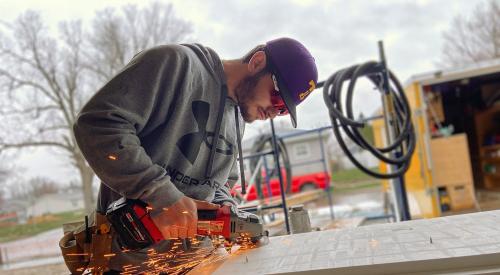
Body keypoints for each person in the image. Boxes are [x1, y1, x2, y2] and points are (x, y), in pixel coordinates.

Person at [73, 37, 318, 273]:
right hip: (130, 262)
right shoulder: (175, 65)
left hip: (198, 264)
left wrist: (226, 210)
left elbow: (219, 183)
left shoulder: (237, 119)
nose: (274, 112)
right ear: (257, 62)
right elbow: (98, 124)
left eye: (284, 110)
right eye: (277, 97)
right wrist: (162, 194)